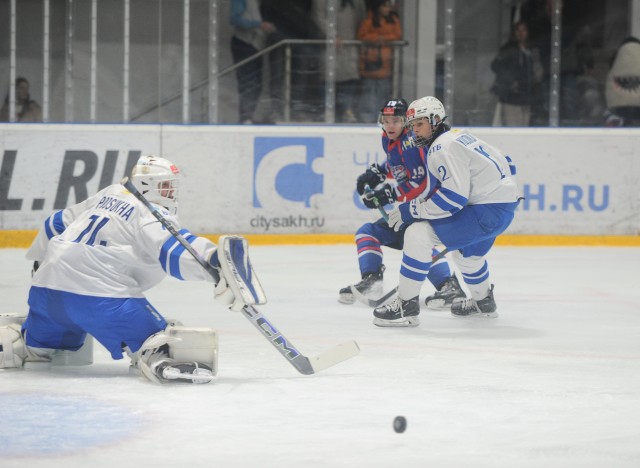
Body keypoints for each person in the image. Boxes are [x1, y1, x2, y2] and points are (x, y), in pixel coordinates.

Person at [0, 155, 245, 384]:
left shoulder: (110, 193)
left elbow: (54, 223)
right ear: (148, 186)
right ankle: (157, 358)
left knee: (41, 345)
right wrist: (215, 261)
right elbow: (173, 250)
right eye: (165, 186)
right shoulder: (150, 212)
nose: (171, 192)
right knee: (160, 342)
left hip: (45, 295)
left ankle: (17, 344)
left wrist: (39, 261)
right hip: (101, 300)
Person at [373, 97, 520, 327]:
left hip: (485, 211)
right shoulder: (462, 136)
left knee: (417, 234)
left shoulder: (442, 146)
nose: (414, 132)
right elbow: (509, 164)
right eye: (411, 126)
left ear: (436, 120)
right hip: (504, 207)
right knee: (467, 255)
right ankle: (483, 302)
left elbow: (453, 199)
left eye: (419, 124)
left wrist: (412, 209)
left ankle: (406, 306)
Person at [339, 98, 465, 308]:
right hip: (414, 205)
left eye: (396, 120)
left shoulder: (415, 139)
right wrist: (379, 172)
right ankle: (372, 280)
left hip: (433, 204)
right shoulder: (389, 138)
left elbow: (425, 180)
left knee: (415, 239)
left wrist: (390, 194)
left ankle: (449, 285)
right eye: (386, 120)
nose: (390, 125)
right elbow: (400, 165)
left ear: (406, 121)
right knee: (368, 232)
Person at [230, 0, 276, 124]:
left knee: (256, 83)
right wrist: (258, 25)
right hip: (244, 42)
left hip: (256, 44)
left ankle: (248, 115)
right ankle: (245, 117)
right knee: (248, 81)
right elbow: (234, 18)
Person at [356, 0, 402, 122]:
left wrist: (382, 38)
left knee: (383, 93)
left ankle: (382, 118)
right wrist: (377, 38)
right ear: (378, 7)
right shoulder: (369, 21)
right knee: (368, 94)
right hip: (370, 63)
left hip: (385, 65)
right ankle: (367, 118)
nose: (388, 9)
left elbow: (397, 35)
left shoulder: (393, 20)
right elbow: (361, 35)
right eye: (385, 6)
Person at [490, 21, 542, 126]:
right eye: (518, 30)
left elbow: (537, 69)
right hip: (511, 98)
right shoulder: (508, 49)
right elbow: (496, 65)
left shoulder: (532, 49)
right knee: (512, 128)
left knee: (524, 131)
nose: (521, 33)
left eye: (524, 30)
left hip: (527, 98)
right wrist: (511, 81)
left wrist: (537, 76)